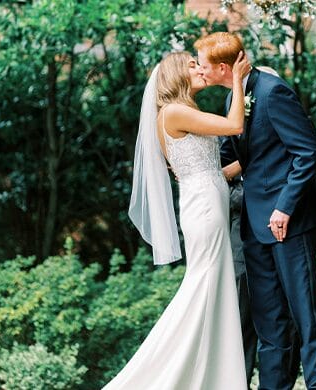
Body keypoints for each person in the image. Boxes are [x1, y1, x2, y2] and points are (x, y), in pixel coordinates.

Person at [195, 32, 316, 390]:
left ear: (223, 68)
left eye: (203, 64)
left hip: (288, 224)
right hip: (254, 227)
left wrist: (284, 208)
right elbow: (236, 160)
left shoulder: (274, 92)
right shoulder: (234, 95)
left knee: (308, 319)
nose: (199, 69)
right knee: (270, 324)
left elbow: (306, 153)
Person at [104, 50, 252, 390]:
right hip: (204, 208)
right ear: (175, 75)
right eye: (192, 65)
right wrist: (238, 81)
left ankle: (215, 378)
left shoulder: (184, 112)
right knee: (203, 286)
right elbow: (234, 125)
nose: (200, 68)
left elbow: (214, 170)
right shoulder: (173, 112)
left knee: (214, 286)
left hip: (207, 201)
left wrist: (255, 160)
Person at [221, 65, 301, 388]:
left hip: (281, 224)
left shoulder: (280, 110)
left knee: (285, 319)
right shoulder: (230, 108)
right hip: (242, 225)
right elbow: (226, 160)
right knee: (240, 315)